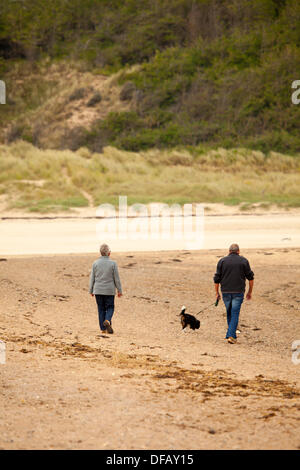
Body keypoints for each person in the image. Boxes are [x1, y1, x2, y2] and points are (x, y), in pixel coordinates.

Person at [214, 243, 254, 344]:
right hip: (238, 292)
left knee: (229, 313)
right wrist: (249, 292)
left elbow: (216, 279)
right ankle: (231, 335)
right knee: (234, 313)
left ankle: (230, 335)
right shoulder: (244, 261)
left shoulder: (222, 261)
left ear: (229, 251)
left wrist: (217, 293)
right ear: (238, 251)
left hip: (226, 292)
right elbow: (251, 278)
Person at [89, 243, 122, 334]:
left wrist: (91, 290)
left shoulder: (95, 263)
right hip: (109, 290)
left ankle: (103, 329)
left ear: (100, 253)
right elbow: (117, 278)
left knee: (101, 308)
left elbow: (92, 278)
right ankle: (107, 320)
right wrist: (119, 290)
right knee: (110, 307)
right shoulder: (113, 263)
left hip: (98, 290)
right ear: (109, 253)